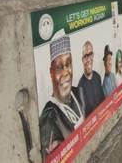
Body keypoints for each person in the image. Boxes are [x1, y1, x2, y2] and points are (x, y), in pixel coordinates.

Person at [39, 30, 85, 158]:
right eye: (59, 67)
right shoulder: (49, 116)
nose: (66, 72)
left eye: (68, 63)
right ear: (51, 72)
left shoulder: (79, 93)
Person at [78, 41, 105, 116]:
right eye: (86, 56)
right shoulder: (80, 88)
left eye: (90, 55)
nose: (89, 59)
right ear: (82, 60)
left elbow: (103, 101)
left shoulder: (98, 77)